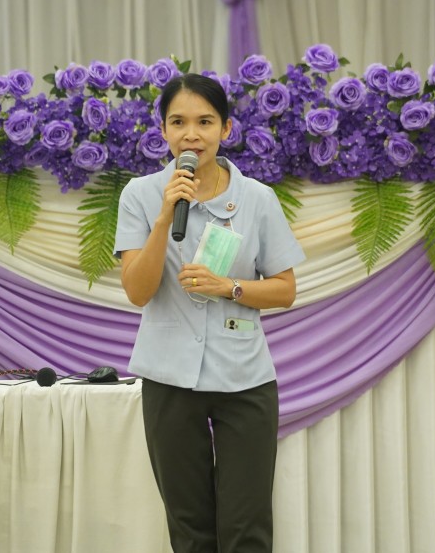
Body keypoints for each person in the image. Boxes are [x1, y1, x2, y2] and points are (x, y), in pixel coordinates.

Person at [114, 73, 305, 552]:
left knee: (246, 526)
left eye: (205, 122)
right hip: (169, 378)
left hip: (245, 378)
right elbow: (138, 291)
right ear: (163, 130)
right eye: (178, 122)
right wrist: (164, 216)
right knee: (190, 528)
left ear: (226, 128)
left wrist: (230, 287)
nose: (191, 135)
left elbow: (285, 290)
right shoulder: (140, 194)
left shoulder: (257, 198)